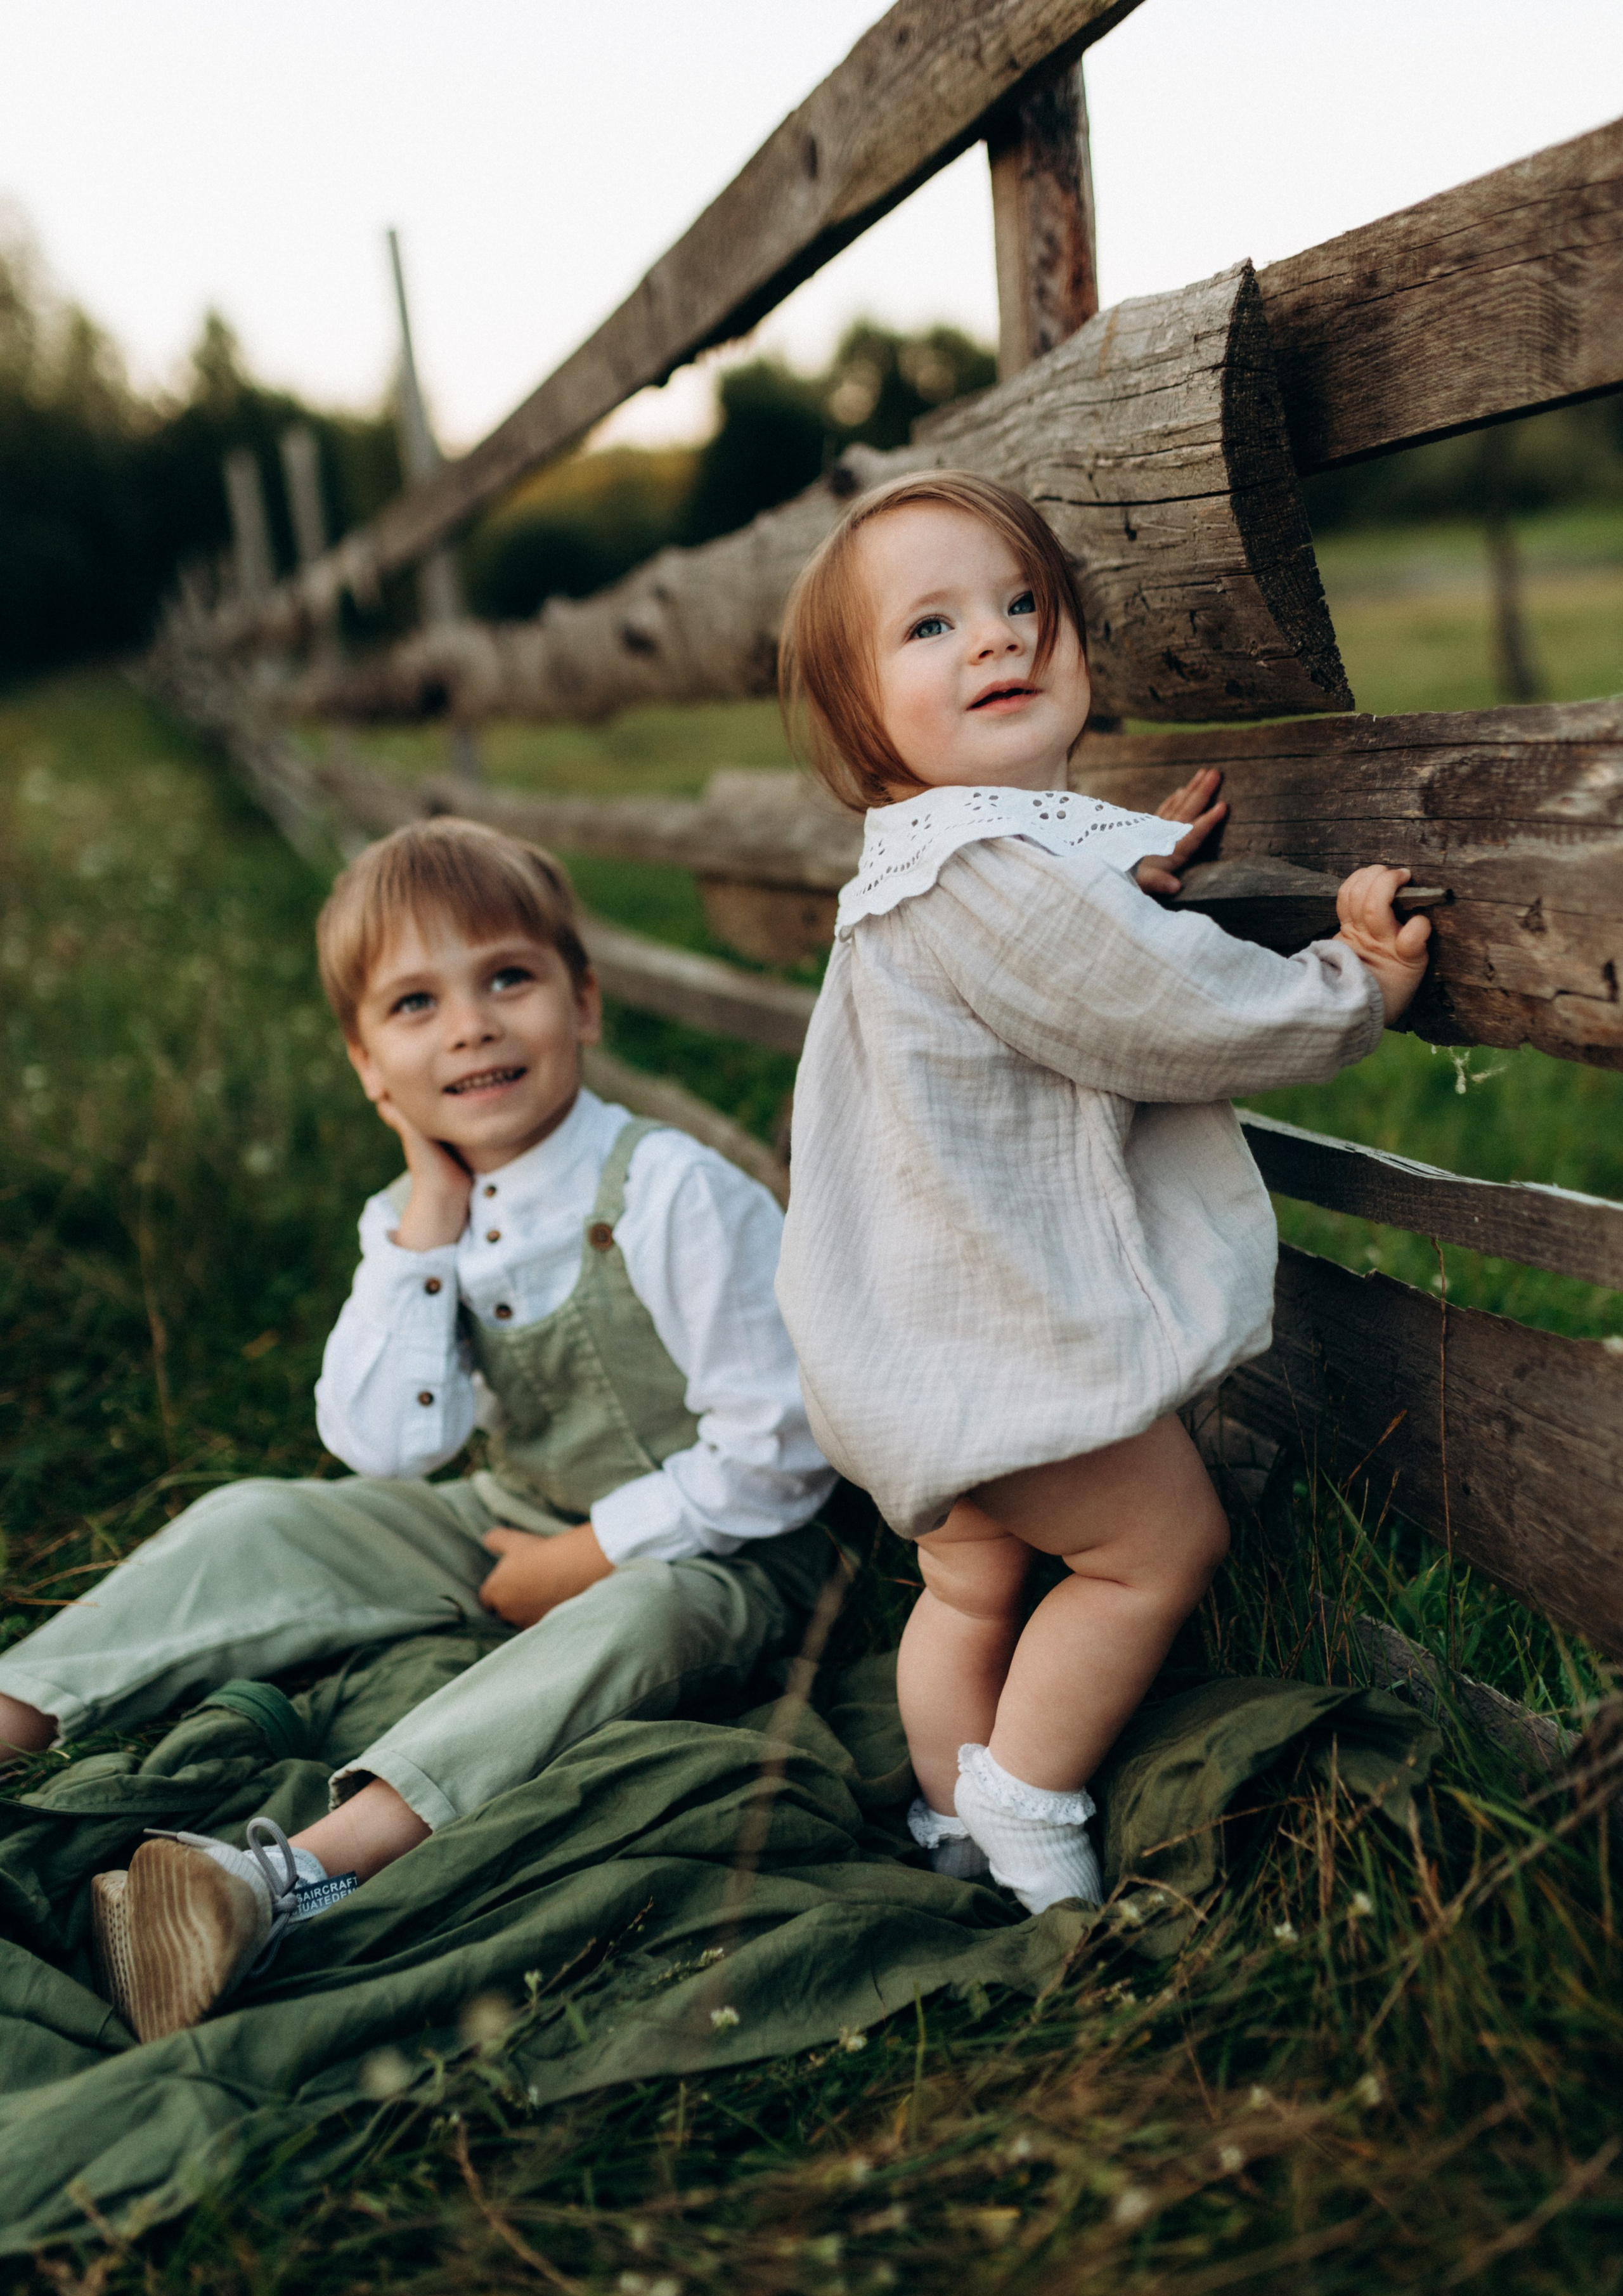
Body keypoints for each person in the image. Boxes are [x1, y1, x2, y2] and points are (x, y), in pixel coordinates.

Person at [0, 820, 833, 2039]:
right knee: (258, 1518)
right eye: (413, 1004)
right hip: (509, 1516)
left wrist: (585, 1559)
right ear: (369, 1066)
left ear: (583, 1002)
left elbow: (784, 1444)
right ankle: (17, 1710)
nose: (471, 1026)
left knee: (640, 1617)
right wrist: (430, 1218)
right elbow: (385, 1450)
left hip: (726, 1550)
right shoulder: (411, 1215)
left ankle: (281, 1880)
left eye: (508, 978)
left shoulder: (668, 1190)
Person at [773, 470, 1432, 1914]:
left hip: (901, 1343)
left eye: (1023, 604)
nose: (999, 639)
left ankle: (948, 1823)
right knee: (1157, 1546)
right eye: (932, 626)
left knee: (970, 1587)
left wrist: (1118, 864)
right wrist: (1349, 988)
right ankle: (1026, 1794)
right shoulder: (981, 879)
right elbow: (1152, 1008)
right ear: (857, 723)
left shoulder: (926, 869)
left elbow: (1046, 931)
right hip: (1000, 1345)